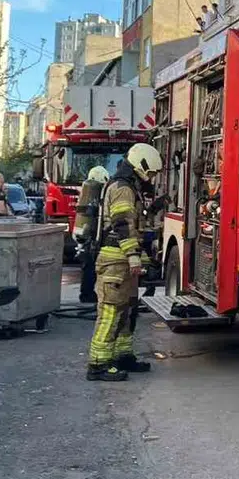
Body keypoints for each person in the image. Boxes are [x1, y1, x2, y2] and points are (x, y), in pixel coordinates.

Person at [86, 143, 162, 381]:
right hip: (115, 261)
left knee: (127, 311)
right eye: (150, 173)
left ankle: (122, 355)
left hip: (123, 262)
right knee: (110, 312)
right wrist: (132, 256)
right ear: (140, 166)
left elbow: (136, 229)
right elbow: (122, 224)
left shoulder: (131, 187)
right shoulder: (122, 189)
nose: (151, 178)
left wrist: (145, 259)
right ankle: (98, 364)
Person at [73, 165, 111, 304]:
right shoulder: (95, 190)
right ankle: (87, 294)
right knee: (89, 266)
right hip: (90, 235)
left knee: (88, 266)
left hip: (84, 233)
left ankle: (87, 293)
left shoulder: (87, 190)